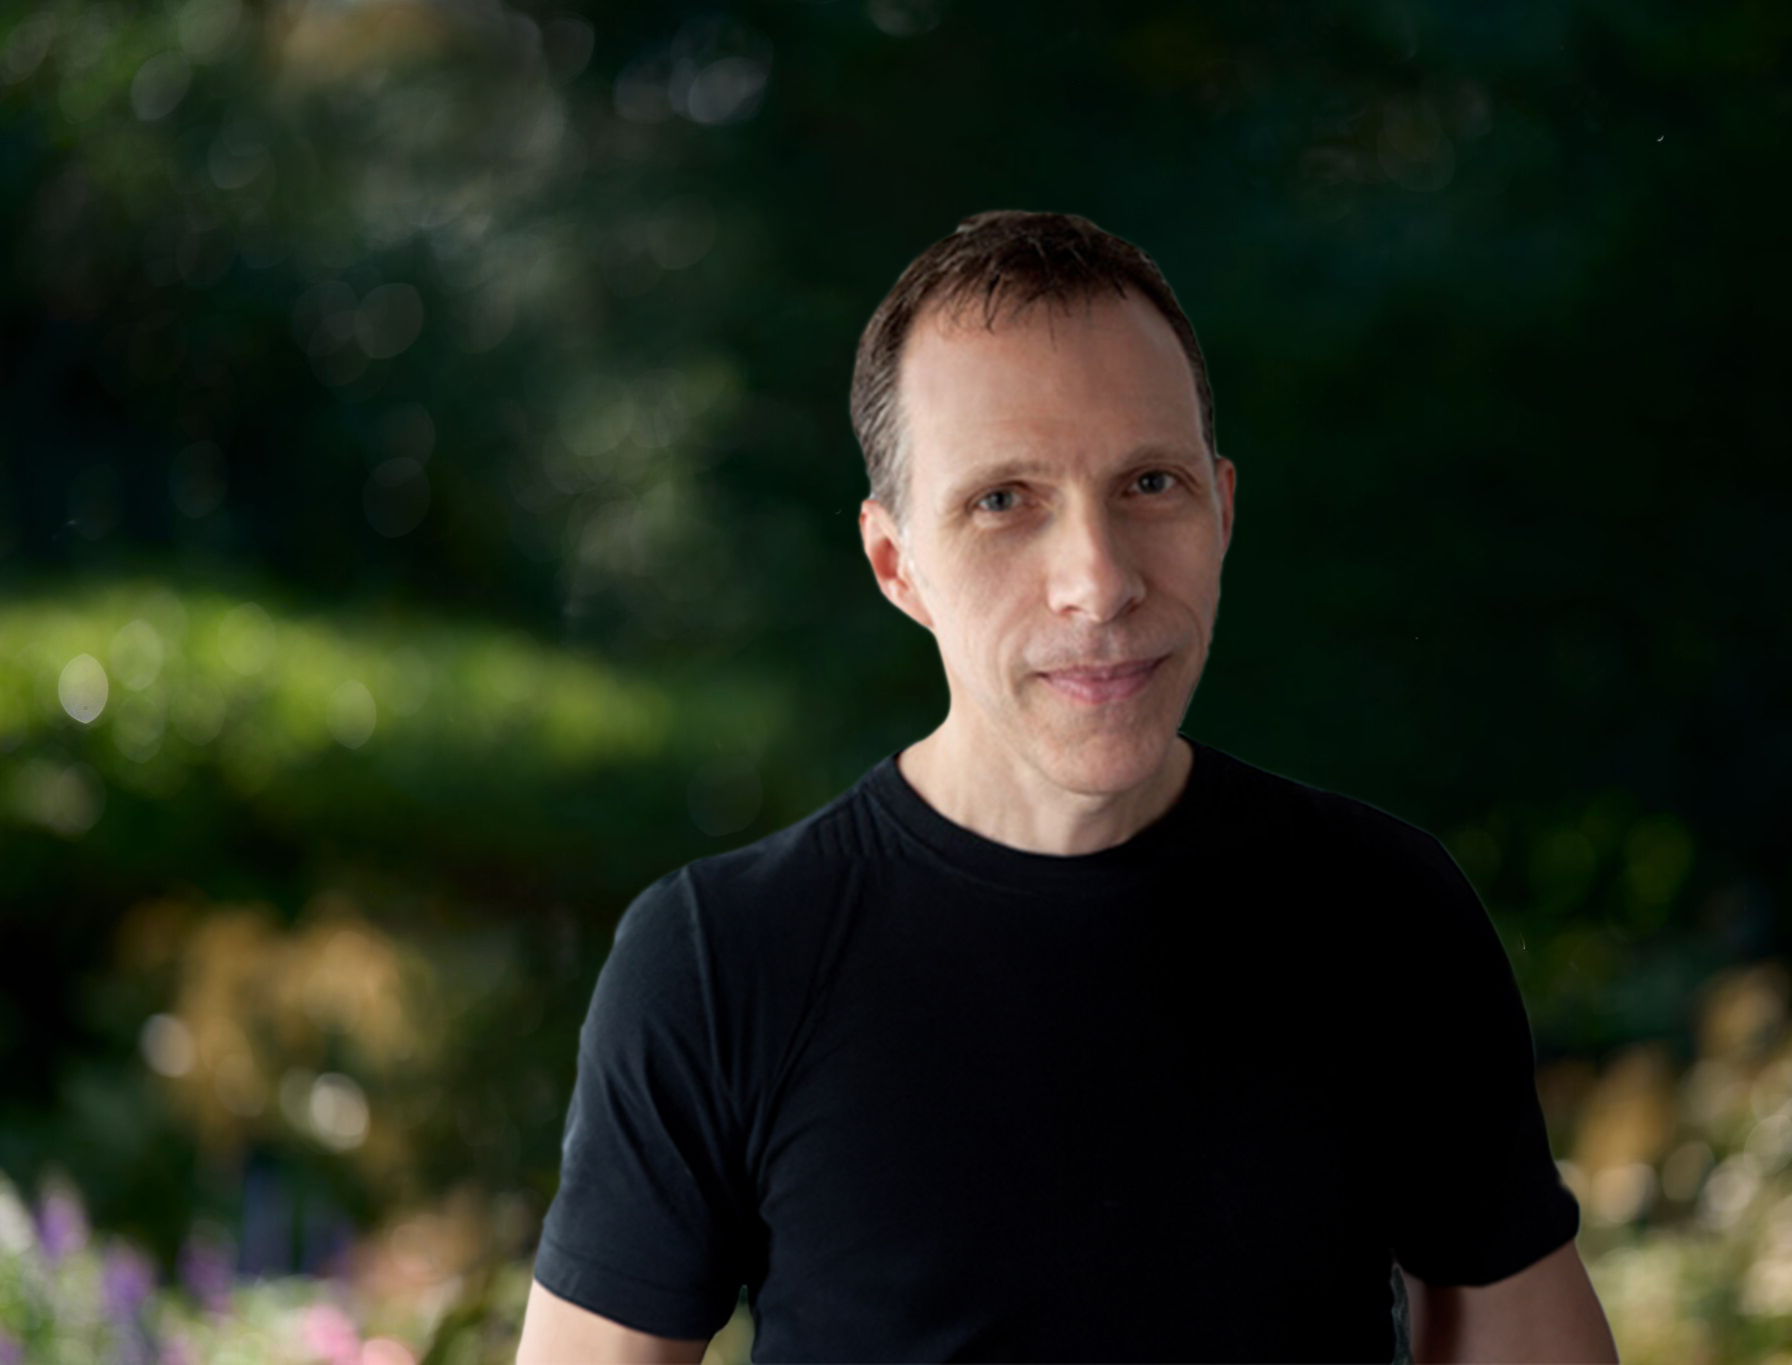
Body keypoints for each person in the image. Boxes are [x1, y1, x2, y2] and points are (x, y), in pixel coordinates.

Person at [514, 210, 1620, 1363]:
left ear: (1222, 509)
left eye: (1149, 482)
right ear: (897, 565)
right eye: (1002, 500)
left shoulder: (1386, 911)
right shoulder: (719, 961)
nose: (1097, 582)